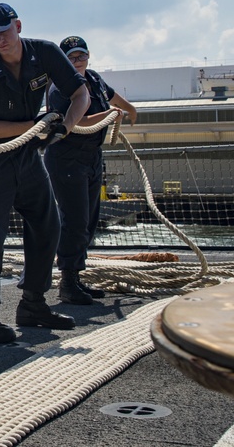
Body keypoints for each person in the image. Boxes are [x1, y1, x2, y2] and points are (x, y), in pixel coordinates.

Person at [0, 3, 90, 344]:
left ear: (18, 25)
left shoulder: (45, 53)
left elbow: (80, 93)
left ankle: (33, 302)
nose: (0, 40)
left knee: (48, 225)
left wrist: (65, 127)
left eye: (5, 31)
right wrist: (35, 125)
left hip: (29, 155)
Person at [44, 36, 137, 304]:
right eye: (71, 58)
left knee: (88, 219)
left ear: (88, 56)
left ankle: (77, 276)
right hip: (67, 158)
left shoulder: (93, 79)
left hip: (91, 157)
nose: (77, 61)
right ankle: (68, 281)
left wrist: (128, 109)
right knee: (74, 220)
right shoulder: (60, 88)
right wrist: (111, 114)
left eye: (81, 56)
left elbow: (110, 95)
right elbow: (75, 121)